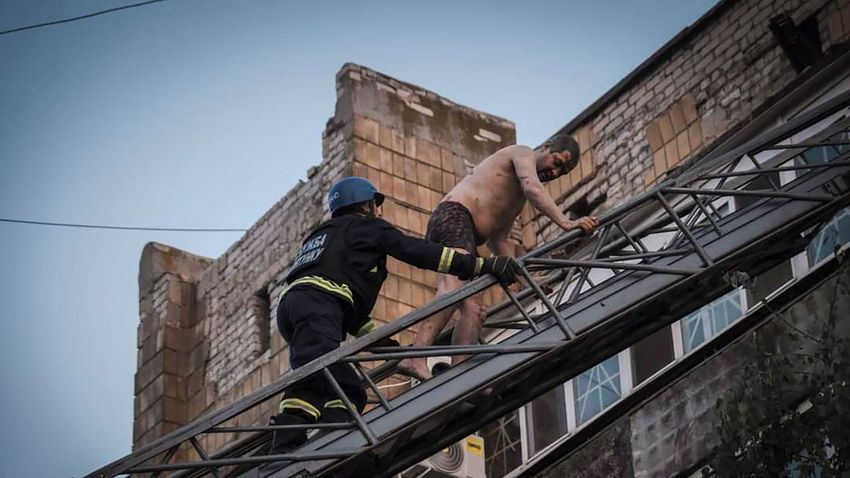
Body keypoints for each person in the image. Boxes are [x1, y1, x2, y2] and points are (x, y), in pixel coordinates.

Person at [270, 176, 521, 454]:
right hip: (319, 306)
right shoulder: (367, 227)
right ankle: (331, 446)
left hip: (295, 309)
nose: (380, 212)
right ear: (365, 205)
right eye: (376, 205)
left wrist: (384, 345)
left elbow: (351, 312)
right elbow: (417, 252)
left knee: (311, 378)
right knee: (347, 388)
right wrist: (478, 265)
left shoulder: (325, 237)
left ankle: (287, 444)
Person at [398, 134, 599, 380]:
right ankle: (415, 357)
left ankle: (459, 373)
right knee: (454, 288)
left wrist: (527, 281)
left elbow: (497, 241)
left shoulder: (517, 199)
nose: (556, 172)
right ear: (546, 147)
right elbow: (532, 187)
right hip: (455, 217)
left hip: (467, 235)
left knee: (475, 308)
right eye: (557, 162)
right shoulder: (522, 153)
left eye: (563, 172)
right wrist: (566, 222)